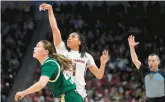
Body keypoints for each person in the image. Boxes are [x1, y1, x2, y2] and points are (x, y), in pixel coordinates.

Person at [39, 3, 109, 101]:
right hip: (66, 94)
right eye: (68, 37)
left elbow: (99, 75)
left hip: (80, 94)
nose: (69, 38)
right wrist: (50, 11)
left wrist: (102, 64)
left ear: (80, 42)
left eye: (73, 36)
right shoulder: (62, 51)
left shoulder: (87, 56)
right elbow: (55, 29)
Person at [15, 40, 84, 102]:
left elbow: (41, 84)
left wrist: (24, 92)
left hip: (70, 98)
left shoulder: (49, 64)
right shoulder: (51, 62)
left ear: (45, 52)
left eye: (38, 46)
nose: (34, 48)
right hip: (70, 97)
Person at [128, 35, 165, 102]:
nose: (151, 63)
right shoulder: (145, 71)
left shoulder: (163, 73)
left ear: (158, 62)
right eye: (149, 61)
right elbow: (135, 60)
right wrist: (131, 47)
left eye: (153, 61)